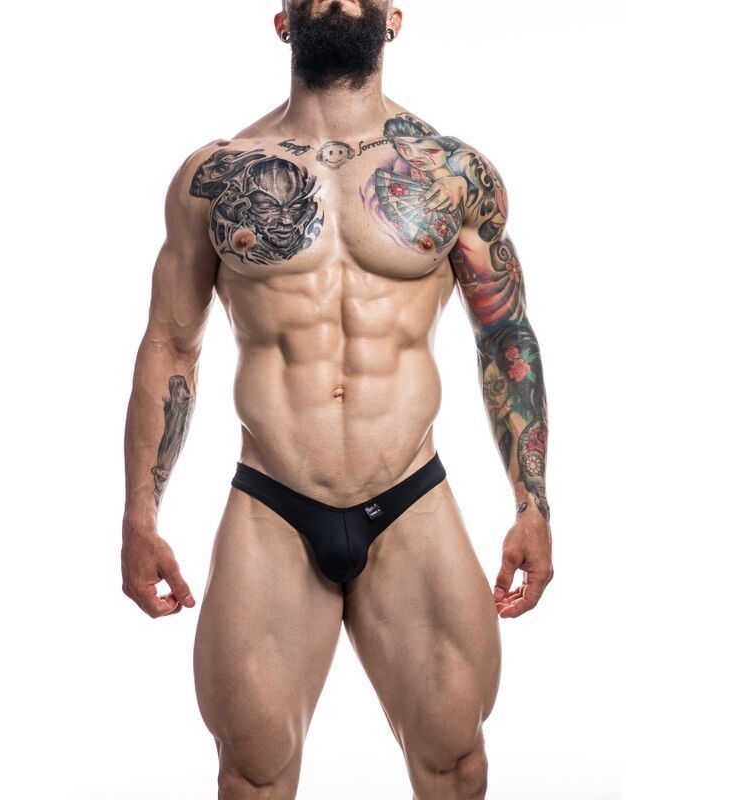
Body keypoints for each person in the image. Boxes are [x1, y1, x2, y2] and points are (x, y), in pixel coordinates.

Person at [120, 1, 553, 797]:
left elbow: (505, 335)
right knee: (252, 772)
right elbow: (172, 345)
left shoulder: (455, 174)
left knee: (454, 758)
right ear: (281, 20)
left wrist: (533, 504)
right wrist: (141, 516)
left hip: (410, 495)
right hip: (274, 504)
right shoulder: (216, 176)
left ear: (395, 18)